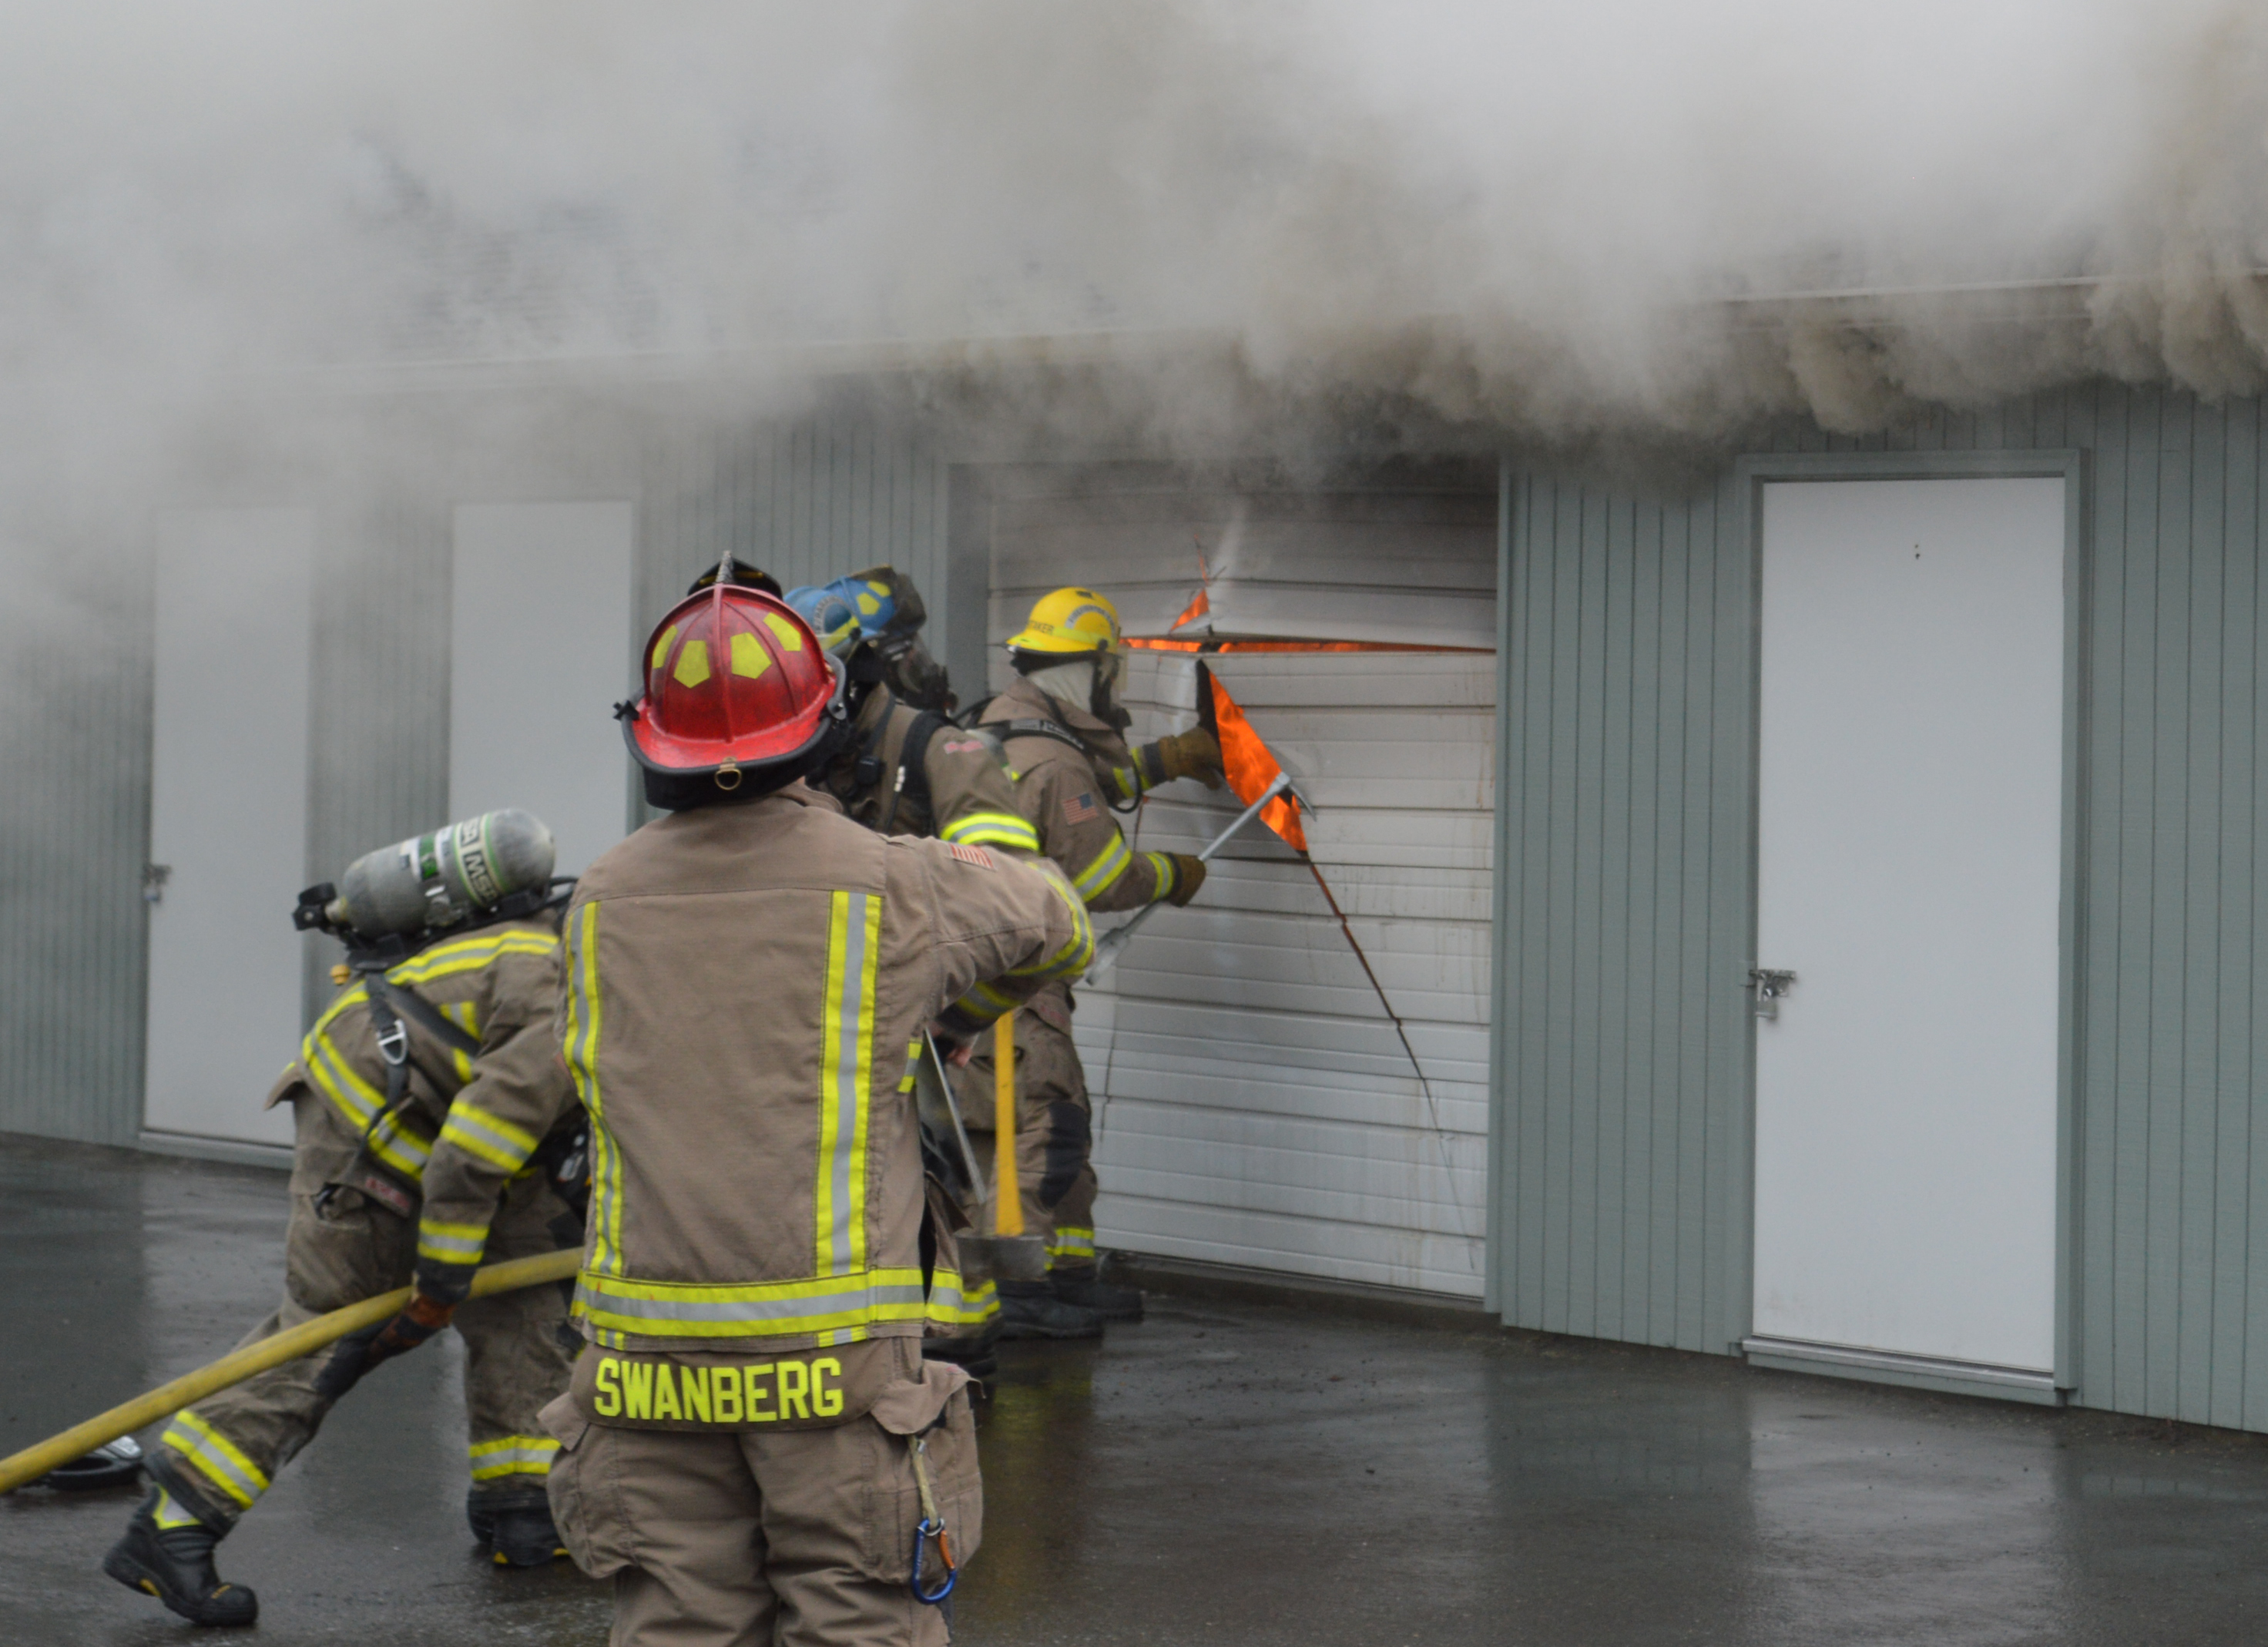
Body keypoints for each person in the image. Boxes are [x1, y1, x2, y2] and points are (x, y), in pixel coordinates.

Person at [541, 574, 1092, 1646]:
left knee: (679, 1631)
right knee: (856, 1627)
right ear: (821, 724)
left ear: (653, 741)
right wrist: (951, 1010)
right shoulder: (893, 883)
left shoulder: (599, 895)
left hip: (648, 1375)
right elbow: (1059, 923)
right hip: (835, 1374)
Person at [103, 874, 584, 1626]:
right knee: (334, 1329)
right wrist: (440, 1279)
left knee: (525, 1301)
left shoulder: (582, 967)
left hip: (439, 1118)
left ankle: (521, 1506)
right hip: (366, 1122)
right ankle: (174, 1520)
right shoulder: (569, 993)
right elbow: (475, 1150)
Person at [951, 587, 1225, 1331]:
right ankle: (1021, 1294)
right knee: (1044, 1123)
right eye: (1113, 670)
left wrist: (1167, 760)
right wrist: (1175, 874)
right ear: (1092, 672)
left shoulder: (995, 729)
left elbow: (1081, 790)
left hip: (986, 974)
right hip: (1017, 983)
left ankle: (1065, 1270)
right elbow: (1100, 873)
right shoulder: (1053, 760)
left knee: (1058, 1113)